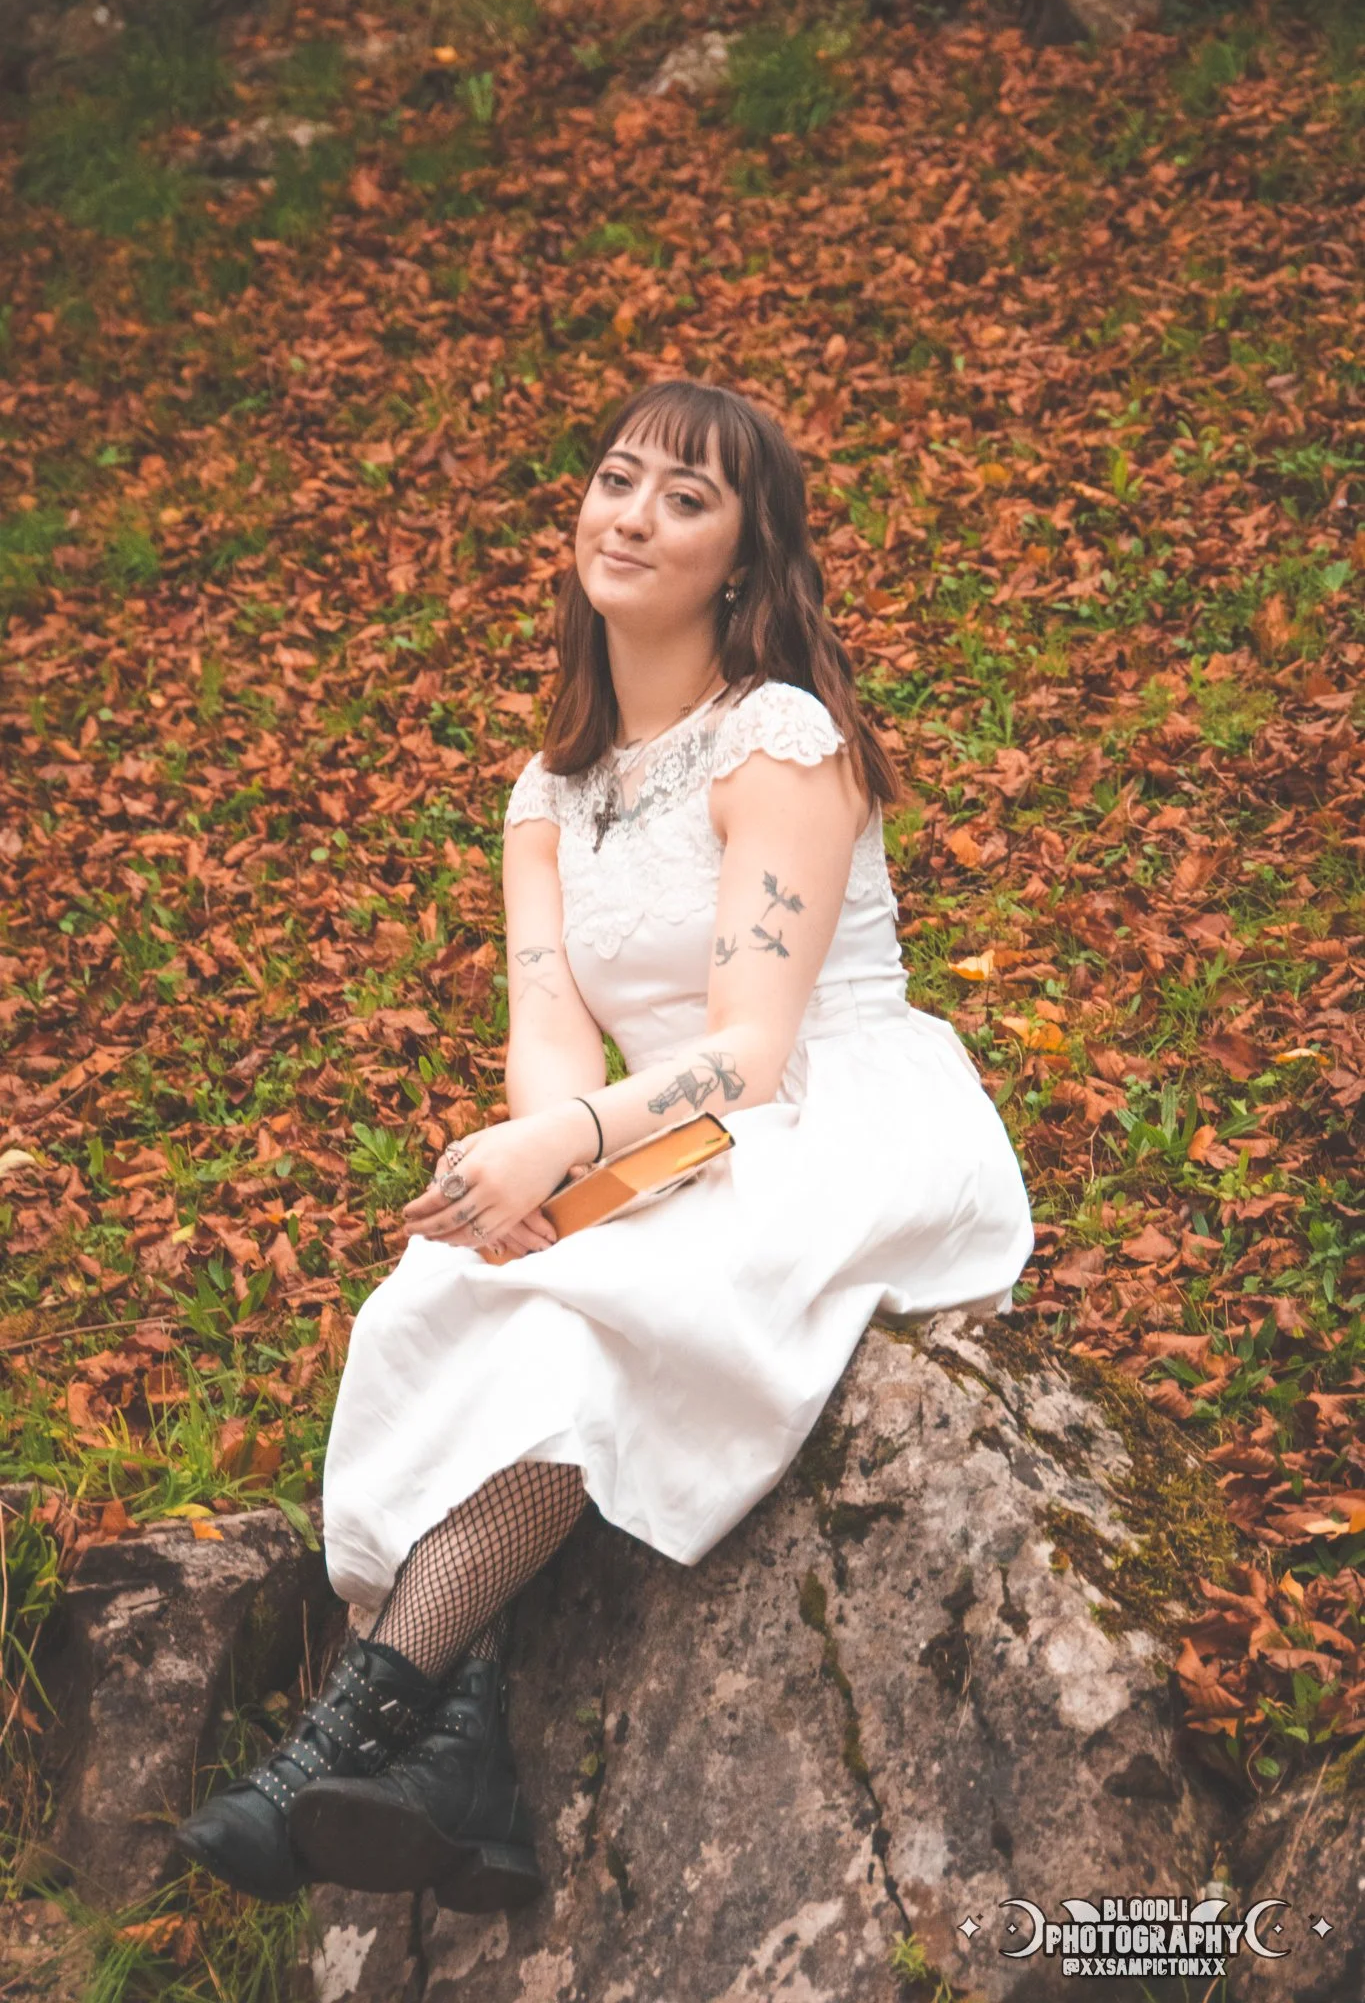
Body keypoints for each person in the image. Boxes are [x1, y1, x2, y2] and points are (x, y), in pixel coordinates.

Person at [175, 379, 1034, 1910]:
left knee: (589, 1326)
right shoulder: (549, 793)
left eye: (686, 499)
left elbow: (752, 1051)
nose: (632, 516)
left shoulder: (780, 739)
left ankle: (330, 1749)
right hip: (668, 1135)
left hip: (833, 1117)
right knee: (444, 1302)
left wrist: (566, 1146)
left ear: (745, 558)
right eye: (618, 480)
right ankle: (464, 1757)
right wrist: (535, 1174)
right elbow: (554, 1031)